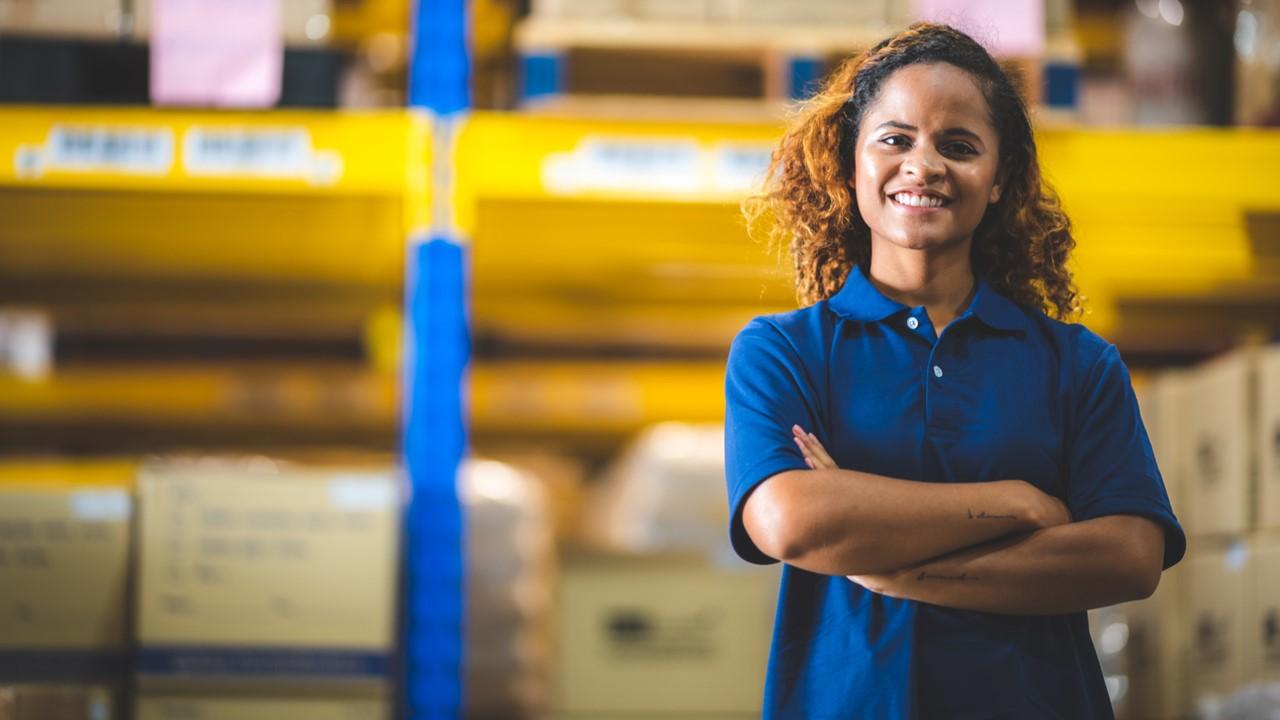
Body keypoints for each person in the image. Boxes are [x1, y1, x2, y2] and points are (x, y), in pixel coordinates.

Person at [724, 22, 1185, 719]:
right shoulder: (784, 352)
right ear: (852, 165)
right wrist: (1018, 505)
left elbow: (1128, 556)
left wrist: (892, 566)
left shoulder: (1078, 364)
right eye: (895, 139)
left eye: (960, 146)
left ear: (999, 181)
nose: (925, 164)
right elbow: (789, 521)